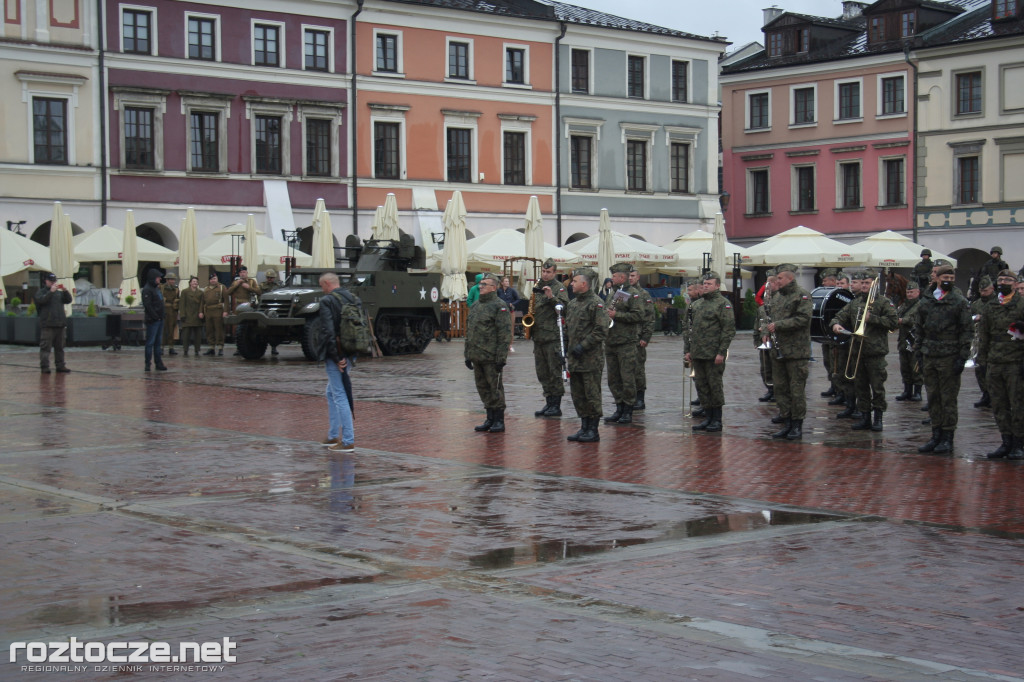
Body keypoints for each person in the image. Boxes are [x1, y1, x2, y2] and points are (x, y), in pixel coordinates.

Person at [912, 264, 972, 454]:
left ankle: (947, 437)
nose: (948, 281)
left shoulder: (959, 301)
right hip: (929, 353)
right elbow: (918, 328)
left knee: (948, 399)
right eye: (944, 277)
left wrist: (962, 357)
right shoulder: (926, 301)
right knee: (933, 397)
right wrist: (918, 353)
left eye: (951, 278)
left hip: (949, 354)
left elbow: (966, 331)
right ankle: (936, 434)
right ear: (936, 278)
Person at [830, 271, 898, 432]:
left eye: (868, 283)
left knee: (877, 387)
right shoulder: (855, 303)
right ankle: (865, 416)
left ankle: (878, 418)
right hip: (857, 352)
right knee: (860, 387)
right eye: (863, 283)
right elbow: (839, 316)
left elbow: (893, 322)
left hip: (875, 353)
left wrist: (872, 318)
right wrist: (836, 324)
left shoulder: (883, 302)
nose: (865, 286)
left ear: (875, 284)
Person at [978, 270, 1024, 459]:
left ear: (1015, 284)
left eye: (1007, 280)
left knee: (1018, 404)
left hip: (1016, 361)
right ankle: (1005, 441)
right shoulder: (991, 305)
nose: (1003, 282)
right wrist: (982, 361)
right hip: (995, 361)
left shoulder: (1021, 304)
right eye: (1000, 279)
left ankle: (1018, 443)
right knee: (999, 403)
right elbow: (984, 335)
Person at [764, 263, 812, 440]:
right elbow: (768, 317)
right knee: (781, 389)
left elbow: (803, 319)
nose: (777, 281)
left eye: (780, 278)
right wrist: (765, 330)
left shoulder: (802, 295)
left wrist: (779, 326)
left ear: (790, 278)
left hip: (796, 351)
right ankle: (787, 421)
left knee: (796, 390)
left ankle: (797, 425)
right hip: (778, 350)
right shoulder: (776, 297)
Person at [686, 271, 735, 432]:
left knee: (714, 386)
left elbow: (728, 329)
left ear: (717, 286)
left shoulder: (723, 304)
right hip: (698, 353)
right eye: (704, 284)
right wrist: (688, 350)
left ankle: (717, 419)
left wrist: (722, 352)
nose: (706, 286)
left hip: (713, 354)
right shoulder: (697, 305)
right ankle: (708, 417)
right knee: (702, 386)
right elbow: (689, 329)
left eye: (709, 284)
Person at [566, 268, 609, 442]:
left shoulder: (596, 303)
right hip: (574, 358)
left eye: (574, 281)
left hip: (590, 357)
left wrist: (583, 346)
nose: (571, 284)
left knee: (591, 394)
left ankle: (593, 429)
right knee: (578, 394)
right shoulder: (573, 304)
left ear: (584, 284)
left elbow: (601, 330)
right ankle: (584, 427)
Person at [464, 275, 511, 433]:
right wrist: (467, 354)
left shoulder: (499, 306)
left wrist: (501, 357)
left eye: (484, 284)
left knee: (495, 388)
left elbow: (504, 334)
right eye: (480, 284)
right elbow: (469, 331)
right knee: (482, 388)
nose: (480, 286)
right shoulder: (476, 305)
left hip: (491, 356)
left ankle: (499, 419)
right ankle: (489, 418)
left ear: (494, 287)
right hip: (477, 355)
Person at [316, 272, 355, 453]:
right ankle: (332, 435)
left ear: (326, 284)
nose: (322, 289)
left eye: (321, 286)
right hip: (351, 351)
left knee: (340, 395)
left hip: (337, 354)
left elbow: (328, 332)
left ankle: (348, 440)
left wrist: (336, 356)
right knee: (331, 392)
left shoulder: (327, 301)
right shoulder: (352, 297)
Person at [603, 262, 643, 425]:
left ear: (622, 277)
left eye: (614, 276)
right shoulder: (614, 293)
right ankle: (619, 408)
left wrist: (616, 315)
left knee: (627, 378)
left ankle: (628, 410)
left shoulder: (633, 293)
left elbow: (638, 316)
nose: (612, 278)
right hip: (611, 340)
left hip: (626, 342)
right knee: (613, 378)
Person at [531, 259, 570, 418]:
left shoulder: (559, 287)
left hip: (553, 336)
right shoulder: (537, 286)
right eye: (543, 271)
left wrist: (552, 297)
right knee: (542, 372)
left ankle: (556, 405)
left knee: (554, 372)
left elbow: (564, 308)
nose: (545, 274)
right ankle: (548, 402)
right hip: (539, 335)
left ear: (554, 273)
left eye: (548, 272)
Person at [34, 272, 73, 374]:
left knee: (60, 348)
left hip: (60, 324)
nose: (53, 283)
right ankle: (45, 367)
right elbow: (41, 301)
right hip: (47, 325)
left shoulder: (59, 293)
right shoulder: (41, 292)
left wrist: (65, 291)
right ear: (46, 281)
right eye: (51, 281)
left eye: (54, 281)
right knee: (45, 348)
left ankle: (60, 366)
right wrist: (50, 292)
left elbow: (68, 300)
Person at [629, 267, 656, 410]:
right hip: (624, 339)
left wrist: (646, 337)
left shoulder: (643, 294)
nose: (630, 278)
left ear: (638, 277)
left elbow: (650, 318)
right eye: (628, 275)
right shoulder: (621, 293)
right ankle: (628, 397)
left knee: (638, 369)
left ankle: (640, 398)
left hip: (638, 338)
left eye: (633, 275)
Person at [894, 279, 923, 402]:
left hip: (914, 340)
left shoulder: (921, 305)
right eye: (908, 292)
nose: (909, 294)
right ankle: (907, 390)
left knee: (915, 367)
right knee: (904, 367)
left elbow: (917, 320)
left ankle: (917, 392)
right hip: (903, 339)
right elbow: (896, 315)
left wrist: (903, 321)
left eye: (912, 292)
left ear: (918, 292)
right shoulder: (904, 305)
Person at [971, 276, 995, 408]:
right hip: (979, 340)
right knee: (980, 368)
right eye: (981, 291)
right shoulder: (977, 304)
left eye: (985, 290)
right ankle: (985, 393)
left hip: (993, 340)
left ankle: (993, 394)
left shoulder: (997, 302)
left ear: (991, 289)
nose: (983, 293)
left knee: (991, 369)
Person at [684, 279, 707, 409]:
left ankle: (706, 405)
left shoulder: (702, 304)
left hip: (703, 347)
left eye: (691, 290)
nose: (689, 293)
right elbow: (686, 325)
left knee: (704, 378)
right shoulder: (691, 305)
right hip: (691, 345)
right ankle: (701, 398)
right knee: (696, 375)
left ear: (699, 290)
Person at [754, 272, 775, 403]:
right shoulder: (762, 307)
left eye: (768, 287)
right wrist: (756, 340)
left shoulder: (776, 305)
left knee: (774, 368)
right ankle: (770, 389)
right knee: (765, 368)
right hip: (764, 342)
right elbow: (757, 324)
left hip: (775, 342)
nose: (766, 291)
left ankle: (776, 390)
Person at [141, 269, 168, 372]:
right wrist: (155, 316)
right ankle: (148, 364)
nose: (160, 279)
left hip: (159, 319)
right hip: (153, 320)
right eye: (158, 277)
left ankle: (158, 362)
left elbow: (159, 302)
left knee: (158, 343)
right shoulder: (147, 289)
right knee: (150, 342)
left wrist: (162, 315)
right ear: (153, 278)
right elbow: (148, 305)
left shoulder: (156, 288)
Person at [199, 272, 228, 356]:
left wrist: (225, 311)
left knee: (219, 329)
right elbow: (202, 302)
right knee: (209, 330)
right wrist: (201, 311)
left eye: (214, 278)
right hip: (208, 311)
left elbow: (226, 300)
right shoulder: (206, 289)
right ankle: (211, 347)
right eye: (211, 279)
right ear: (209, 280)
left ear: (217, 279)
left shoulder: (222, 287)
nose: (213, 280)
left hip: (218, 310)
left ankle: (220, 347)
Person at [179, 276, 203, 356]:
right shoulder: (185, 292)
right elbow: (182, 304)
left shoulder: (200, 292)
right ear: (190, 283)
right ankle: (185, 349)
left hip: (197, 316)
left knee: (198, 335)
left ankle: (197, 349)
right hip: (187, 315)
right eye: (193, 281)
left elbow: (202, 304)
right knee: (186, 335)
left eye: (196, 282)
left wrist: (201, 312)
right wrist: (182, 315)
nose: (195, 283)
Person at [262, 269, 283, 355]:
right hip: (265, 307)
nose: (269, 279)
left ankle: (274, 347)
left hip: (276, 307)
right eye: (268, 277)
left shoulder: (278, 285)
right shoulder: (262, 285)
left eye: (271, 278)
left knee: (275, 329)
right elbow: (259, 293)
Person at [161, 272, 180, 355]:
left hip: (173, 310)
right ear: (167, 280)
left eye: (173, 280)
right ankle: (161, 347)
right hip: (164, 310)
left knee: (172, 329)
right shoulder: (162, 288)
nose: (173, 281)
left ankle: (171, 347)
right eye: (171, 279)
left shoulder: (176, 289)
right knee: (163, 329)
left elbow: (178, 299)